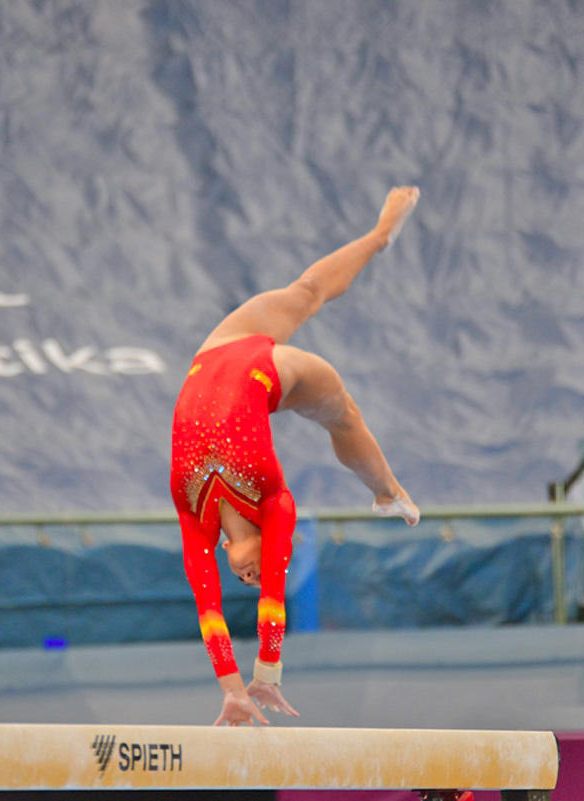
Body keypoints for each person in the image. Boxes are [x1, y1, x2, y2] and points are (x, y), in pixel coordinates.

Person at [169, 186, 422, 726]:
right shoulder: (273, 501)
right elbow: (264, 597)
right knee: (337, 401)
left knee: (312, 305)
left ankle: (379, 235)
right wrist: (250, 683)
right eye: (259, 576)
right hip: (260, 367)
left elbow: (211, 604)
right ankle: (386, 491)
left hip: (225, 353)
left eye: (247, 577)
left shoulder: (195, 515)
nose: (255, 577)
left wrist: (249, 682)